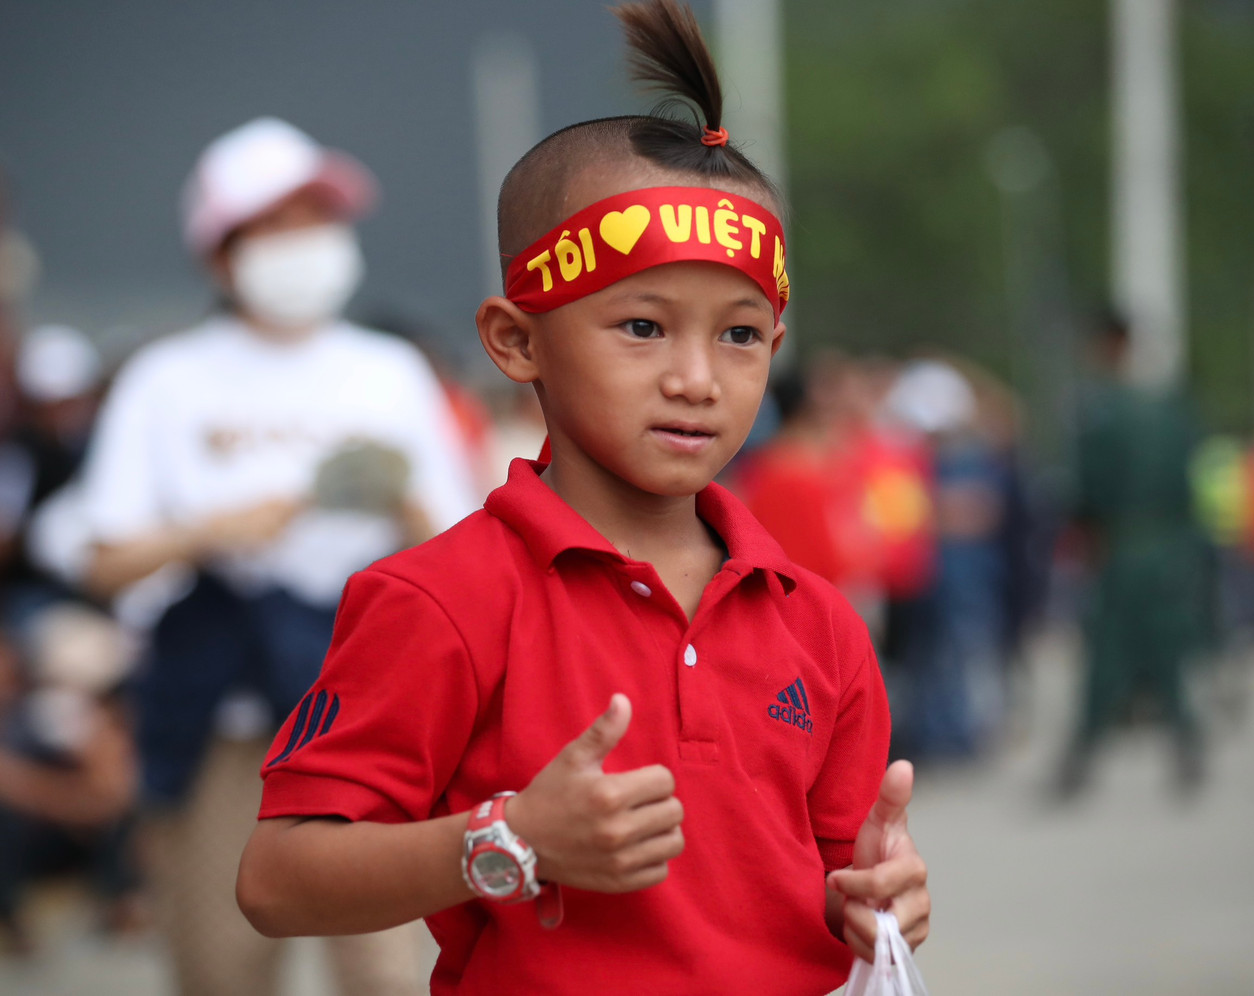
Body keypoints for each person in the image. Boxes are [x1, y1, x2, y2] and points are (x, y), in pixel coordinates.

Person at [237, 3, 931, 993]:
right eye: (643, 327)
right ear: (517, 340)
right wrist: (508, 840)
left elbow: (825, 881)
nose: (697, 378)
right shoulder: (441, 599)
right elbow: (277, 880)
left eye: (739, 334)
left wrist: (879, 901)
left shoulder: (815, 623)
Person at [78, 117, 478, 995]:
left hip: (370, 702)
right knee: (223, 965)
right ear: (221, 253)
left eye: (318, 220)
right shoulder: (167, 379)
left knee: (386, 965)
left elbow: (461, 545)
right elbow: (102, 562)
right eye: (277, 226)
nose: (306, 246)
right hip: (220, 714)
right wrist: (211, 531)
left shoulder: (389, 373)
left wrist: (403, 500)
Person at [1055, 312, 1209, 798]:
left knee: (1107, 655)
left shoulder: (1096, 408)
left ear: (1105, 343)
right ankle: (1186, 745)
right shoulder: (1169, 407)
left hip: (1119, 549)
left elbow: (1083, 491)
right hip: (1166, 547)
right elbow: (1189, 486)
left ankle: (1079, 762)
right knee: (1165, 654)